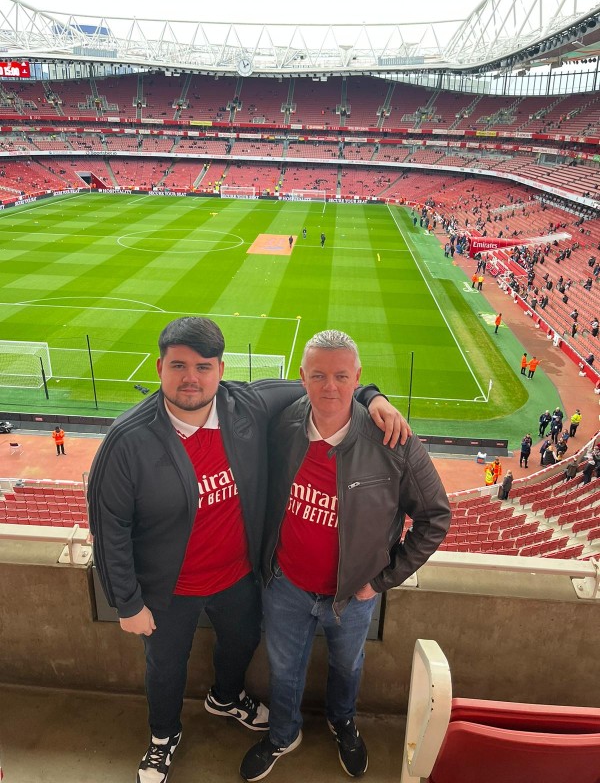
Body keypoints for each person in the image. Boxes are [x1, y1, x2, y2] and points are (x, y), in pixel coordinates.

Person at [87, 317, 408, 783]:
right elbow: (109, 526)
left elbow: (324, 380)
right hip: (168, 588)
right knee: (165, 668)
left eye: (203, 366)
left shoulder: (246, 405)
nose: (190, 378)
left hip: (238, 578)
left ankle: (226, 696)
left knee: (241, 644)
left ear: (221, 370)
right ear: (159, 368)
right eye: (178, 365)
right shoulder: (127, 439)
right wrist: (128, 601)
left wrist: (372, 396)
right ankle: (162, 738)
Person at [239, 330, 450, 782]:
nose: (329, 386)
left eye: (341, 376)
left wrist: (380, 581)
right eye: (317, 375)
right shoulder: (283, 425)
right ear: (302, 378)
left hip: (355, 594)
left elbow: (434, 517)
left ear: (357, 378)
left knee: (348, 666)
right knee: (283, 667)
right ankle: (282, 733)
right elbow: (233, 398)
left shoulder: (394, 440)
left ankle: (342, 722)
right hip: (286, 585)